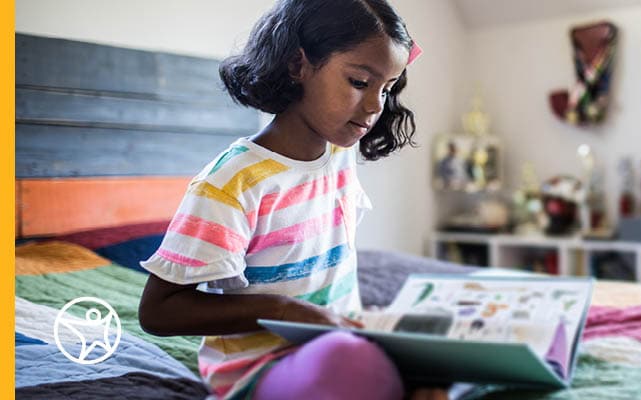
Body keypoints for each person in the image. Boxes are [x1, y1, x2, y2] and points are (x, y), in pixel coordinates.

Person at [137, 1, 445, 399]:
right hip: (261, 367)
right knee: (355, 364)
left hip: (338, 337)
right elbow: (158, 311)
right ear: (297, 65)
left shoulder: (338, 153)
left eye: (385, 89)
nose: (374, 106)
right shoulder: (232, 182)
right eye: (358, 82)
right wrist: (284, 310)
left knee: (450, 353)